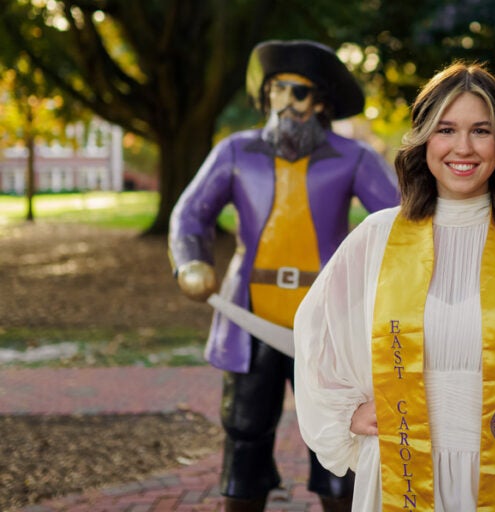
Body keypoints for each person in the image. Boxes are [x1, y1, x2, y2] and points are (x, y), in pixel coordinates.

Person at [293, 61, 495, 512]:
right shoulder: (378, 238)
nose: (463, 148)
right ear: (424, 138)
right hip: (403, 465)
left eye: (481, 131)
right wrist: (342, 413)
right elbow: (317, 329)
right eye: (446, 129)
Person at [168, 40, 400, 512]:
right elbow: (190, 213)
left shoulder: (352, 157)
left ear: (320, 102)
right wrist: (191, 259)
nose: (284, 104)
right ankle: (242, 498)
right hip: (249, 315)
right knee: (244, 426)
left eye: (296, 92)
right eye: (274, 91)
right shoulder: (234, 152)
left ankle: (342, 500)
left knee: (337, 425)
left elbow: (402, 220)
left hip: (328, 319)